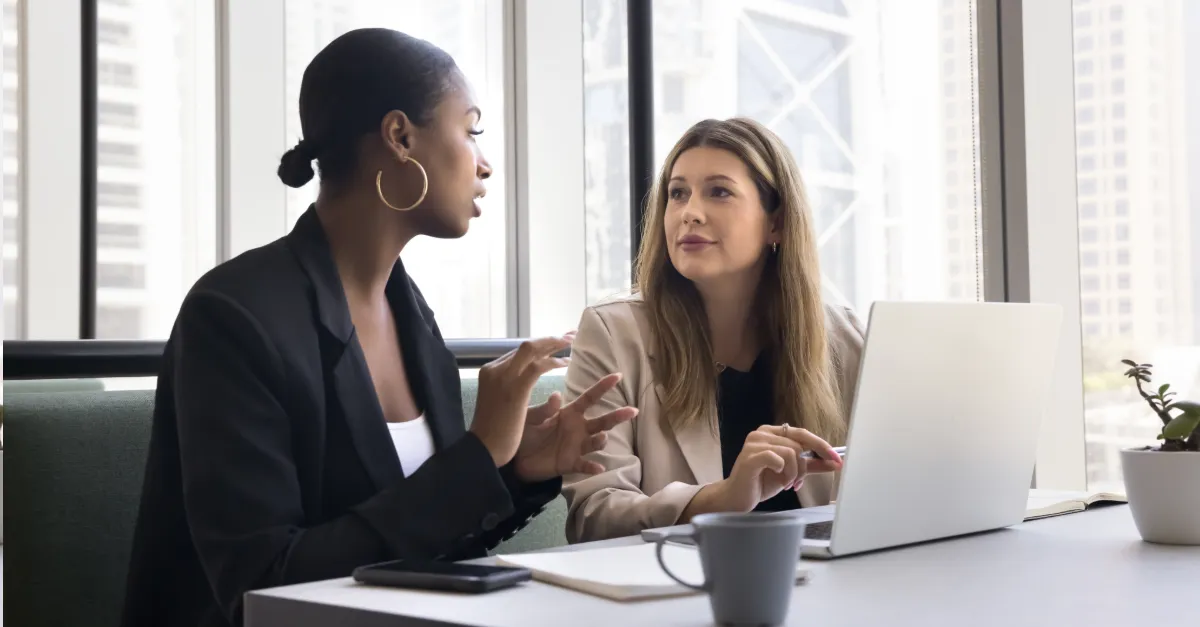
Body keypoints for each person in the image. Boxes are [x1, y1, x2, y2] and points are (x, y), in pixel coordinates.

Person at [120, 28, 635, 627]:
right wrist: (476, 458)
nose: (485, 163)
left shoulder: (411, 314)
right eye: (470, 132)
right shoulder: (232, 316)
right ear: (399, 137)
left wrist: (515, 470)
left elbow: (420, 555)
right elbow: (262, 587)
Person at [561, 118, 866, 543]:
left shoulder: (843, 335)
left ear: (776, 222)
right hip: (681, 591)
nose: (690, 213)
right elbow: (593, 518)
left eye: (719, 192)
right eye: (677, 193)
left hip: (826, 585)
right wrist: (722, 498)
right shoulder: (613, 332)